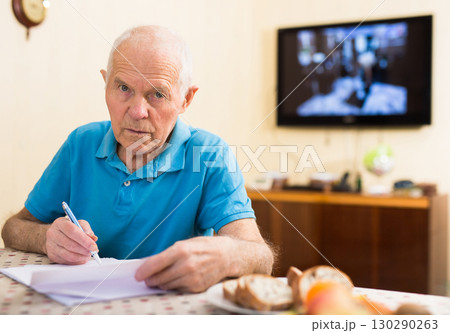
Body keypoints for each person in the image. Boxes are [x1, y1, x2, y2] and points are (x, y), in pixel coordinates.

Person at [1, 26, 273, 292]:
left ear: (186, 99)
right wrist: (46, 238)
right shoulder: (80, 143)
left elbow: (261, 257)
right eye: (123, 88)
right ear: (106, 83)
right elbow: (13, 228)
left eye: (157, 94)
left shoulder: (209, 153)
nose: (137, 111)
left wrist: (226, 255)